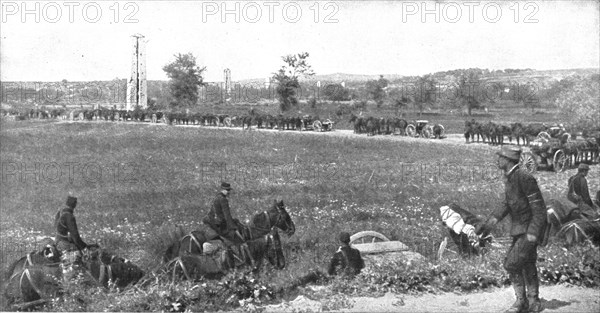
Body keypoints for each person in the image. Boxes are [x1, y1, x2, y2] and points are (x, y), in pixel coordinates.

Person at [481, 146, 547, 313]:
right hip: (520, 230)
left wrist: (533, 234)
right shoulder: (511, 178)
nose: (497, 160)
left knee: (511, 264)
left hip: (529, 231)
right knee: (527, 264)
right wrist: (487, 225)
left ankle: (521, 301)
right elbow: (505, 205)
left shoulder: (524, 177)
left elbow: (539, 209)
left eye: (500, 157)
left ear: (508, 160)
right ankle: (534, 302)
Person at [55, 196, 88, 279]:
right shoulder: (69, 216)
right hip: (64, 244)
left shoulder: (60, 212)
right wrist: (85, 247)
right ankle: (73, 279)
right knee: (79, 258)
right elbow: (75, 237)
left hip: (58, 241)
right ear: (74, 205)